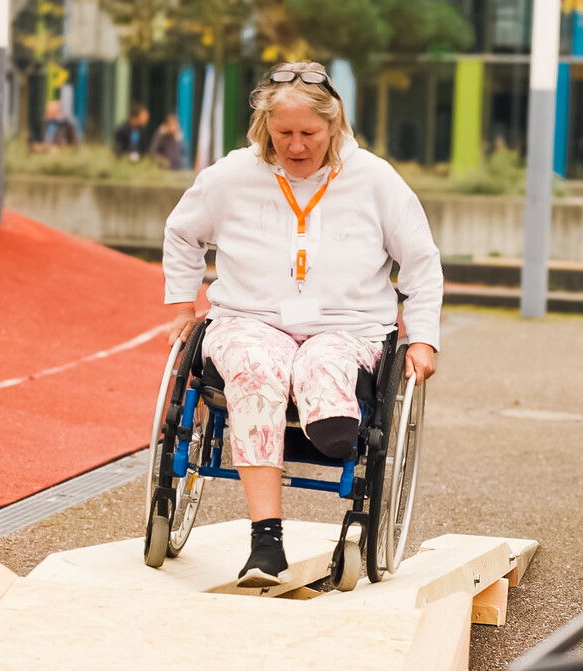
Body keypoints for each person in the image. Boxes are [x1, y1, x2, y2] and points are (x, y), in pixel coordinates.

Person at [161, 62, 443, 588]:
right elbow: (182, 233)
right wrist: (181, 306)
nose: (295, 145)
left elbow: (421, 261)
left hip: (348, 326)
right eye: (283, 132)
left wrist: (423, 337)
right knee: (255, 368)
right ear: (264, 125)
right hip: (250, 318)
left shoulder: (374, 179)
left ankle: (331, 425)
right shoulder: (232, 175)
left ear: (334, 125)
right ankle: (265, 542)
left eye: (308, 133)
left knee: (322, 360)